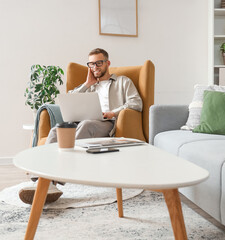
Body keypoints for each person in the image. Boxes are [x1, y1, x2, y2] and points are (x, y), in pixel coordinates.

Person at [19, 48, 143, 204]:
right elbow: (67, 100)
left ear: (107, 63)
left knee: (86, 125)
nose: (95, 67)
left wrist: (113, 113)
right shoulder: (90, 86)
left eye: (99, 63)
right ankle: (42, 180)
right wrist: (86, 84)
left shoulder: (123, 82)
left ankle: (60, 175)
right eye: (91, 64)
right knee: (56, 130)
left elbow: (136, 103)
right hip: (81, 122)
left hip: (107, 123)